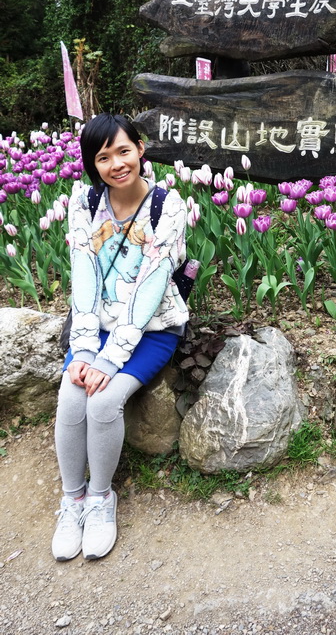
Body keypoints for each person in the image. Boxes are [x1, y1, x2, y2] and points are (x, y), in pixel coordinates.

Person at [52, 113, 188, 561]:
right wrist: (84, 350)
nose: (116, 164)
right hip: (95, 327)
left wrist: (109, 360)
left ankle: (100, 498)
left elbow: (151, 286)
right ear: (93, 164)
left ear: (140, 149)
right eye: (103, 157)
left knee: (103, 400)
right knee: (71, 395)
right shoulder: (85, 202)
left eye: (123, 151)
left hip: (153, 329)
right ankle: (72, 500)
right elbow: (83, 276)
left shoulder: (167, 206)